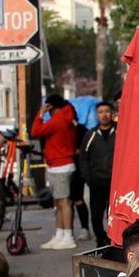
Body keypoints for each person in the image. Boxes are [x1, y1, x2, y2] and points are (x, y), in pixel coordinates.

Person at [29, 94, 81, 250]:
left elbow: (35, 131)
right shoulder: (65, 118)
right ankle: (60, 234)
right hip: (60, 164)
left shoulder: (58, 120)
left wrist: (40, 113)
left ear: (50, 107)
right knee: (59, 202)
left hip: (60, 165)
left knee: (63, 202)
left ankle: (68, 236)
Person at [78, 101, 118, 247]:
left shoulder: (120, 132)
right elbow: (83, 157)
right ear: (97, 115)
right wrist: (88, 178)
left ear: (112, 113)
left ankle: (113, 240)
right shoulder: (91, 134)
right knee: (96, 215)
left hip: (116, 184)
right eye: (101, 112)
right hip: (96, 183)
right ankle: (100, 239)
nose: (104, 115)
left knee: (113, 215)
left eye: (107, 111)